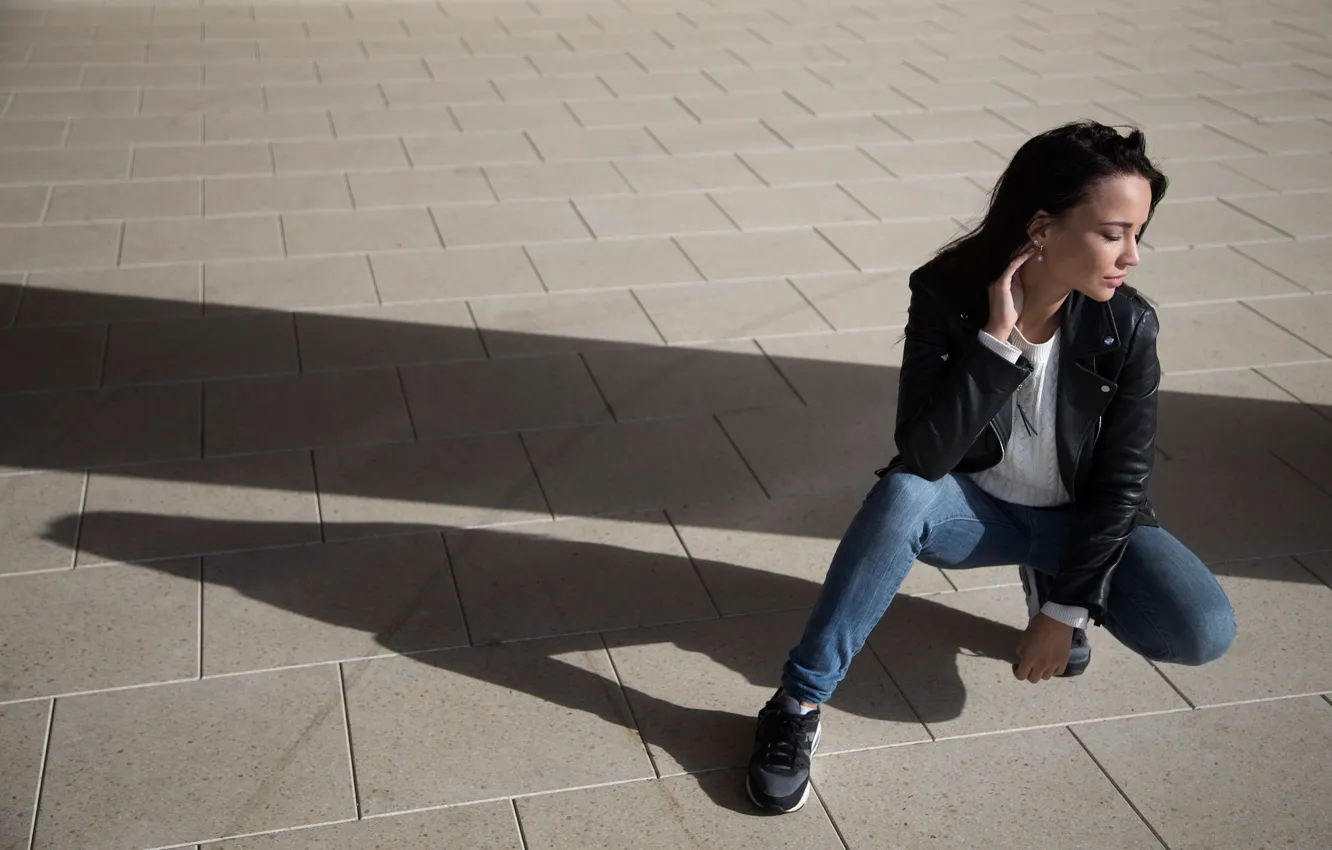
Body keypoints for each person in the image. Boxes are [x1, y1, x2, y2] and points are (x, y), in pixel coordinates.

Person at [745, 121, 1236, 814]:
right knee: (903, 495)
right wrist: (994, 346)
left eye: (1138, 234)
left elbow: (1124, 484)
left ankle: (1049, 581)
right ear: (1043, 228)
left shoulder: (1128, 326)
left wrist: (1065, 611)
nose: (1132, 256)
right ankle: (796, 705)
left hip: (1075, 523)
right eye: (1112, 233)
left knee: (1203, 629)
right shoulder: (947, 293)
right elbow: (922, 453)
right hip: (975, 513)